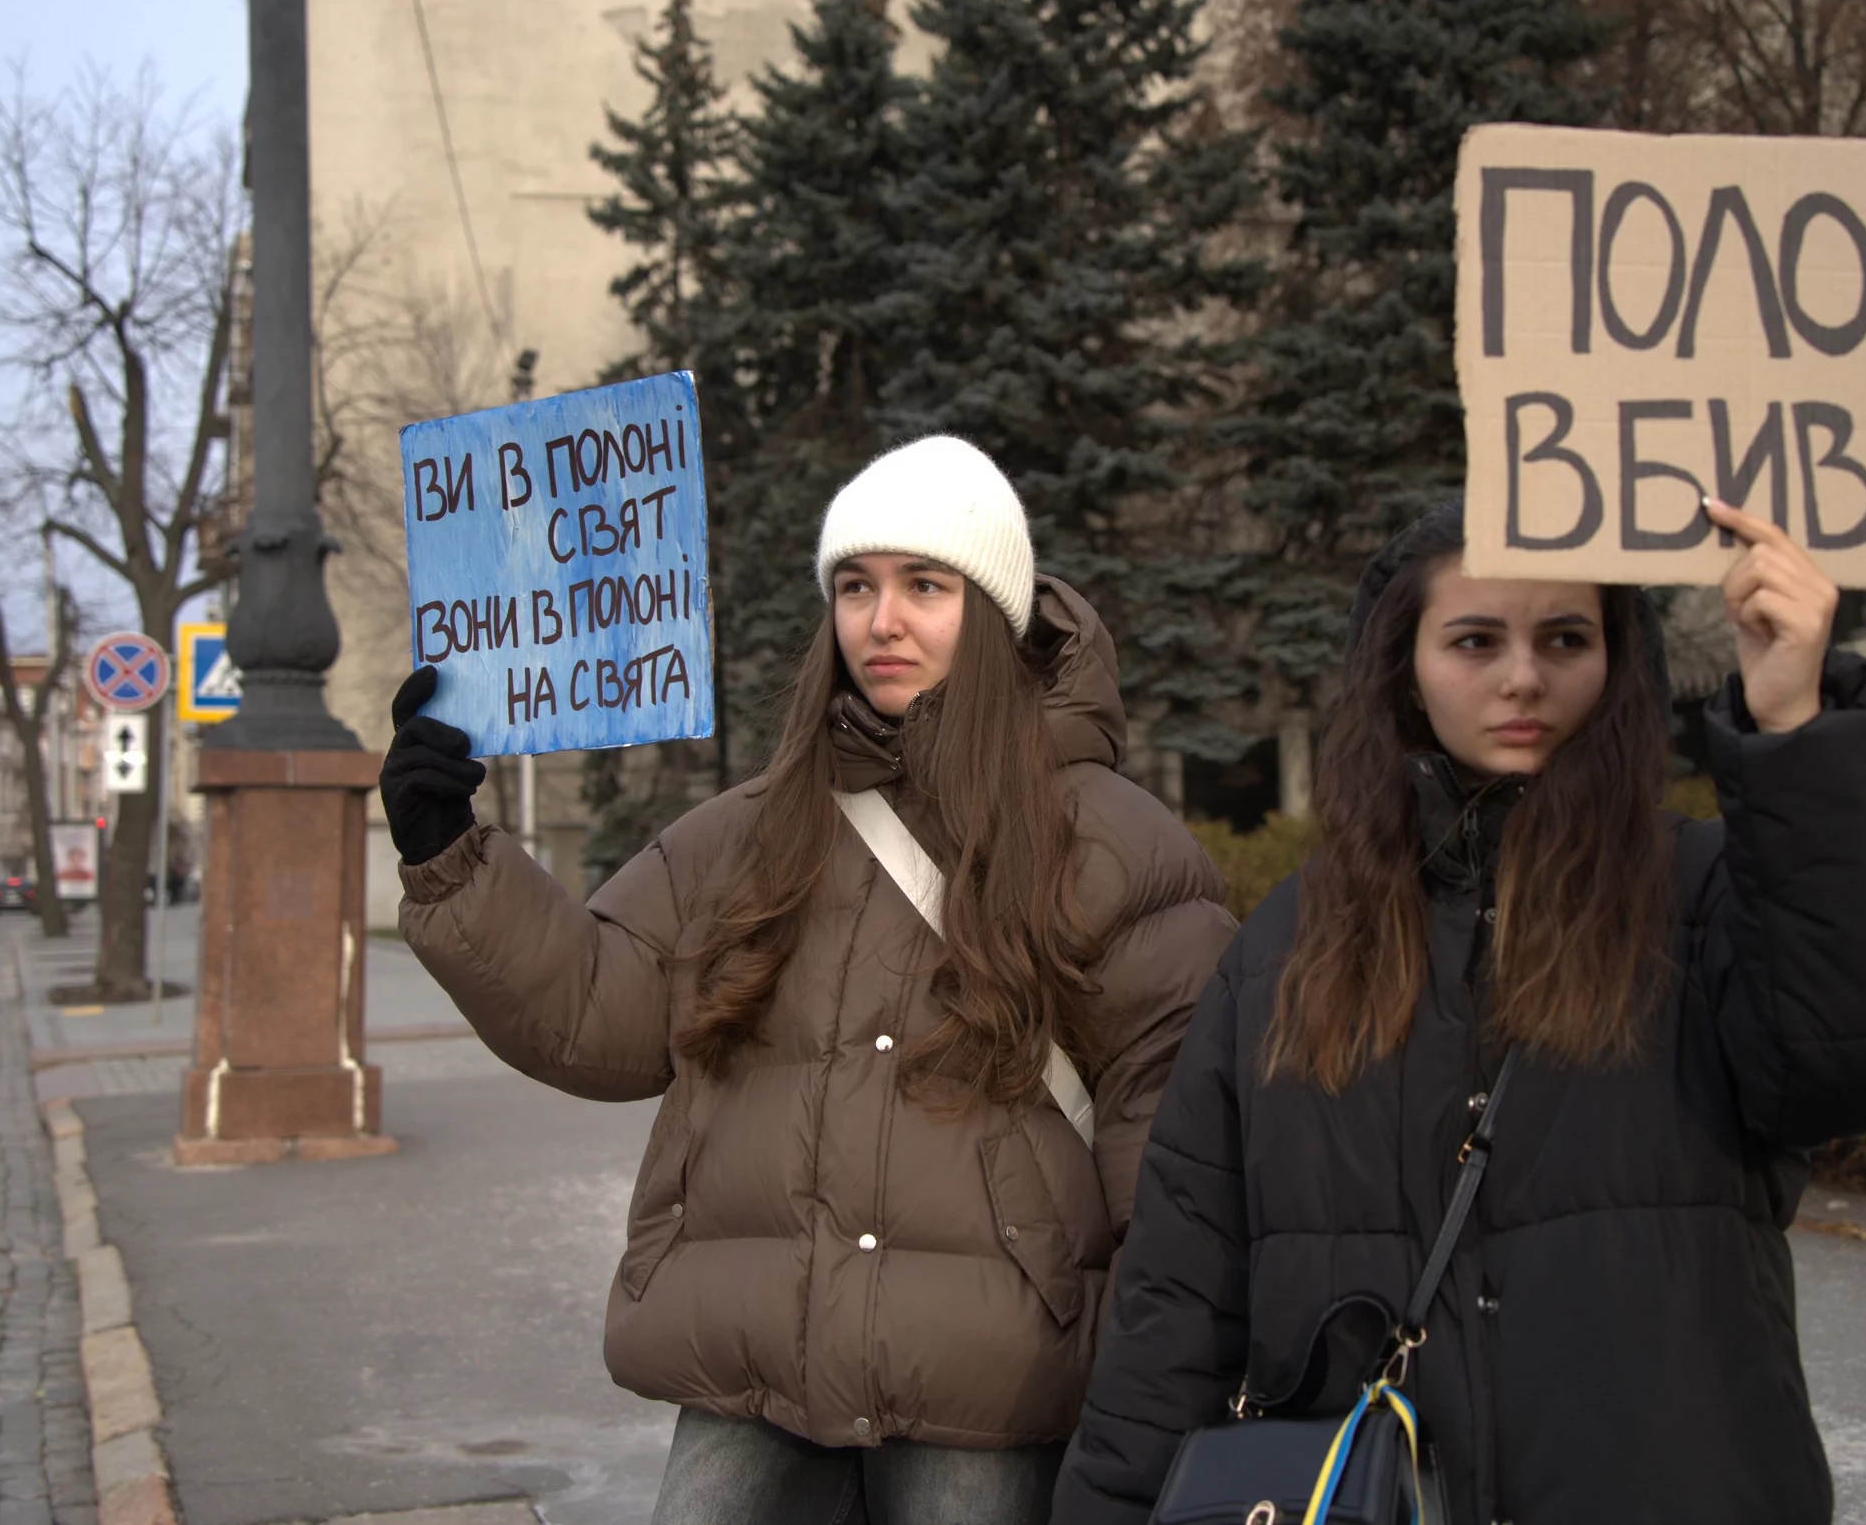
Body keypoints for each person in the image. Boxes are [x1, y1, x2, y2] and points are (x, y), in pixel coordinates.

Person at [1052, 497, 1866, 1525]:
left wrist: (1797, 729)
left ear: (1618, 658)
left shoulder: (1705, 894)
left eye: (1565, 637)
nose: (1523, 676)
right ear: (1404, 669)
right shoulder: (1290, 944)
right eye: (1473, 639)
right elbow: (1181, 1293)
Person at [381, 436, 1238, 1525]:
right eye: (855, 586)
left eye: (924, 585)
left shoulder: (1111, 844)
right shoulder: (749, 829)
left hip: (991, 1381)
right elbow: (597, 1007)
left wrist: (1151, 1390)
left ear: (994, 610)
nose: (882, 621)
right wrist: (447, 851)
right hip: (757, 1368)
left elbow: (1170, 1145)